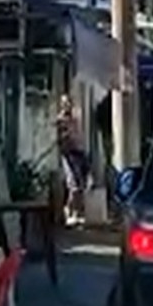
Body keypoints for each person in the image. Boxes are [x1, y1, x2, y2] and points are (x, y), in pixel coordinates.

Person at [56, 94, 89, 226]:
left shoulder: (75, 118)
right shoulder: (61, 120)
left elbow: (78, 135)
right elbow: (60, 138)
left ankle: (76, 212)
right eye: (64, 103)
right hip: (68, 155)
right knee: (73, 185)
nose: (67, 106)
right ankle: (69, 211)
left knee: (80, 185)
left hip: (78, 152)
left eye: (68, 103)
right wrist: (65, 135)